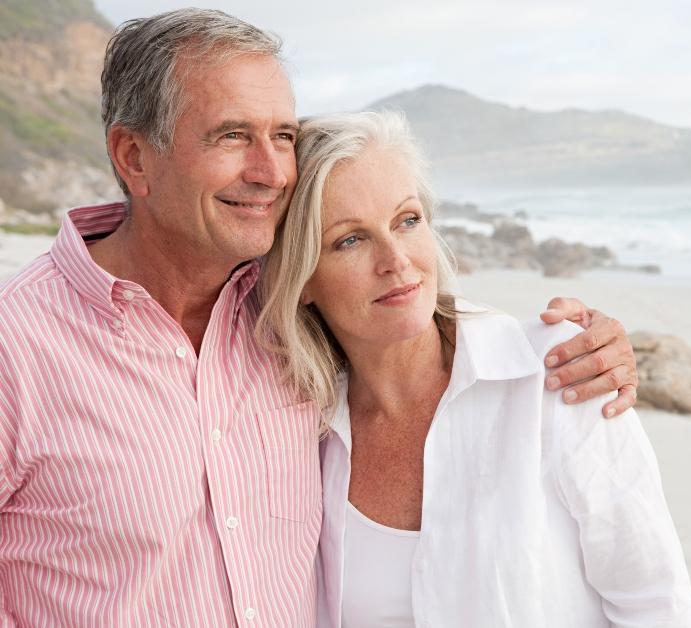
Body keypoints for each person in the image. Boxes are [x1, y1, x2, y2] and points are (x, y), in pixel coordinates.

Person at [0, 9, 638, 626]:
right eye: (231, 136)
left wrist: (573, 341)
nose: (272, 171)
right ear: (134, 157)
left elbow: (401, 309)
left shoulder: (285, 315)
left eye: (281, 135)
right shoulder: (17, 346)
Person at [256, 111, 691, 627]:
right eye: (350, 240)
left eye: (407, 220)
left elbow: (657, 604)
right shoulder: (299, 431)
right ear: (301, 278)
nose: (396, 260)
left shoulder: (558, 373)